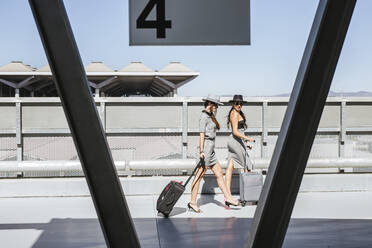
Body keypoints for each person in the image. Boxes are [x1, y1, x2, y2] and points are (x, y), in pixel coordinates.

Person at [188, 94, 239, 213]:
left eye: (217, 105)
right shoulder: (203, 117)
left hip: (211, 151)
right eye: (215, 105)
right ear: (210, 104)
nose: (217, 107)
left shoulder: (210, 116)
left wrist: (213, 115)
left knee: (220, 173)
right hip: (205, 150)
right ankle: (192, 202)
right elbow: (201, 134)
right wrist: (201, 151)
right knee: (198, 177)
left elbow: (219, 127)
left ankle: (229, 198)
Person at [225, 95, 255, 196]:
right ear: (233, 104)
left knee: (231, 166)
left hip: (237, 141)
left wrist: (245, 143)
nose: (239, 105)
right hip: (235, 141)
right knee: (247, 164)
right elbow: (235, 132)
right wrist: (248, 139)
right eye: (236, 103)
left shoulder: (238, 112)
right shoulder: (234, 114)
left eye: (240, 103)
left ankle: (227, 194)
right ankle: (249, 193)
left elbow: (240, 132)